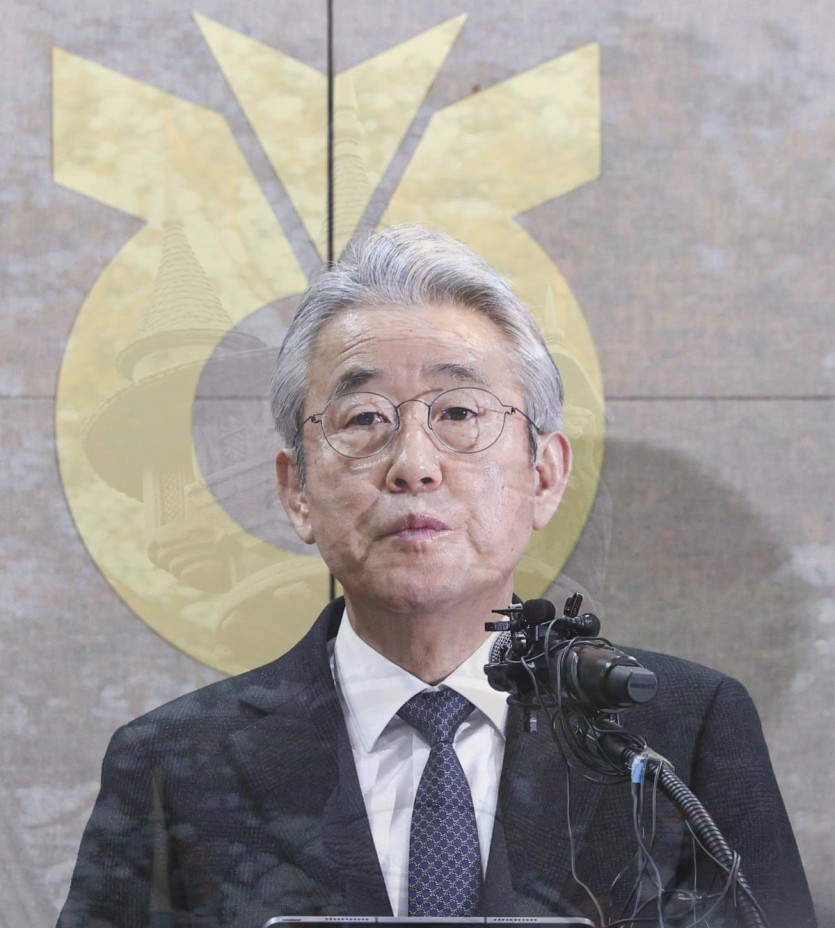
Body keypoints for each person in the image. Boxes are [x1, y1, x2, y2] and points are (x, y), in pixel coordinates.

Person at [58, 225, 816, 927]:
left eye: (458, 413)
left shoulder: (679, 730)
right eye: (363, 419)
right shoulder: (171, 764)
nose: (414, 465)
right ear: (296, 491)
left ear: (544, 475)